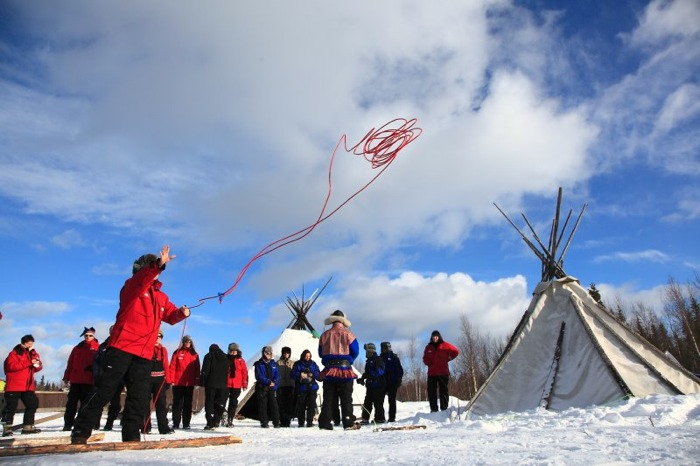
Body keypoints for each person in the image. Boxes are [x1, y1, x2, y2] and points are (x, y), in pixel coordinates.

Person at [71, 245, 191, 444]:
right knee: (104, 390)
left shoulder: (161, 297)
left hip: (144, 354)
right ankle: (80, 431)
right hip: (121, 348)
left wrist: (181, 313)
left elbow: (170, 316)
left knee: (139, 397)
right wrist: (158, 264)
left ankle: (131, 436)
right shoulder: (132, 287)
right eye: (151, 267)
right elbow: (141, 280)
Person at [317, 309, 359, 430]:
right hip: (345, 370)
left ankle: (325, 422)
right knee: (346, 397)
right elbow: (355, 351)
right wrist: (349, 359)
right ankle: (348, 421)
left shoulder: (324, 335)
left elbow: (320, 353)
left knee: (328, 397)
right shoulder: (349, 335)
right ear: (343, 321)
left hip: (329, 370)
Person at [1, 335, 43, 436]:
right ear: (24, 343)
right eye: (29, 343)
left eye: (32, 343)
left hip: (27, 386)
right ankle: (7, 428)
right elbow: (11, 366)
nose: (30, 345)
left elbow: (36, 368)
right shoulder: (14, 353)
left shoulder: (33, 353)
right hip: (14, 385)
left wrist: (37, 364)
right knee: (11, 407)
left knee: (32, 404)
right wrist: (29, 362)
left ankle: (28, 426)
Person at [62, 326, 100, 431]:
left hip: (89, 381)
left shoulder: (98, 348)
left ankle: (81, 424)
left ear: (94, 336)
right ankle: (68, 424)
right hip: (75, 380)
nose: (88, 337)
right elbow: (70, 363)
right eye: (86, 335)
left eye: (90, 335)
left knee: (85, 404)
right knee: (71, 404)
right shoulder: (77, 348)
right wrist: (66, 376)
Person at [93, 326, 124, 431]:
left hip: (117, 380)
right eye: (113, 331)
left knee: (115, 403)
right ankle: (95, 424)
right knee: (98, 401)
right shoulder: (103, 346)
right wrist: (97, 375)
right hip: (102, 378)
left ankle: (109, 423)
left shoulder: (123, 346)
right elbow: (96, 362)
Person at [142, 330, 173, 434]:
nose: (157, 338)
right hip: (147, 379)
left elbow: (166, 365)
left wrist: (168, 380)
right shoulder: (146, 347)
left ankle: (163, 428)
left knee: (161, 404)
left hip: (160, 380)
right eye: (156, 336)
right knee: (144, 403)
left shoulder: (163, 350)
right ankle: (145, 427)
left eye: (159, 337)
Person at [422, 330, 459, 412]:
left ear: (439, 337)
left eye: (436, 336)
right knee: (431, 392)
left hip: (443, 372)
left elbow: (456, 351)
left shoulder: (445, 345)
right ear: (431, 337)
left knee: (443, 391)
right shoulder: (428, 347)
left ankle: (444, 409)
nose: (435, 338)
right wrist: (429, 363)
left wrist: (449, 358)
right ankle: (434, 409)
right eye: (433, 337)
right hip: (432, 373)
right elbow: (424, 358)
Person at [169, 335, 200, 430]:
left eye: (189, 342)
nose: (187, 343)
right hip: (177, 382)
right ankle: (176, 423)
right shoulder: (177, 352)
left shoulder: (194, 354)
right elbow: (172, 366)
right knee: (177, 404)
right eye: (186, 341)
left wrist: (197, 381)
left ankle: (186, 423)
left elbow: (197, 368)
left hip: (189, 383)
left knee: (188, 404)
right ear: (183, 342)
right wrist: (171, 380)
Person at [200, 343, 229, 430]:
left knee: (210, 403)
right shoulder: (225, 357)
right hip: (223, 384)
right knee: (218, 403)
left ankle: (210, 423)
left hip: (211, 384)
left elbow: (205, 371)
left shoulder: (208, 356)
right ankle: (218, 419)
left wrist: (203, 382)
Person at [290, 349, 320, 428]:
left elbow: (318, 373)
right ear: (303, 356)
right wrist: (300, 374)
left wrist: (312, 374)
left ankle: (310, 422)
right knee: (301, 406)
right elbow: (292, 374)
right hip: (301, 387)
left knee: (311, 405)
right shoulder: (298, 364)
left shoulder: (313, 364)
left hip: (312, 387)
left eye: (309, 356)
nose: (307, 358)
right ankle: (301, 422)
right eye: (306, 356)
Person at [358, 342, 386, 424]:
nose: (366, 353)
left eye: (366, 351)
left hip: (378, 385)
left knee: (378, 402)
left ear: (370, 351)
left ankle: (380, 418)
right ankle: (365, 418)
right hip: (370, 385)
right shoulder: (369, 361)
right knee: (367, 402)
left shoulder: (378, 359)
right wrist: (362, 379)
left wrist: (371, 374)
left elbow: (380, 371)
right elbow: (367, 372)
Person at [254, 346, 280, 428]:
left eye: (269, 353)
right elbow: (258, 376)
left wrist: (274, 382)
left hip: (271, 387)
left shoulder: (273, 364)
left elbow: (277, 375)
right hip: (262, 387)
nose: (268, 355)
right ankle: (264, 422)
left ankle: (276, 422)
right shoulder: (259, 364)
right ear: (263, 354)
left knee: (274, 405)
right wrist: (268, 382)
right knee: (263, 405)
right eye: (266, 353)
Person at [225, 342, 248, 427]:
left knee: (233, 403)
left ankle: (230, 420)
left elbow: (244, 373)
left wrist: (244, 384)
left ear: (237, 351)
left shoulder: (241, 360)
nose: (233, 352)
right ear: (229, 351)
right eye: (231, 350)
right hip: (226, 384)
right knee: (222, 401)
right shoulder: (225, 359)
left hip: (236, 385)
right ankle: (223, 414)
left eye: (235, 351)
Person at [380, 341, 404, 422]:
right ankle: (381, 417)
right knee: (380, 400)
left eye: (384, 348)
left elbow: (400, 370)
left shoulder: (394, 357)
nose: (383, 350)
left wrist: (399, 380)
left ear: (388, 348)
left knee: (392, 400)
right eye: (382, 348)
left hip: (392, 382)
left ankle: (392, 417)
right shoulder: (380, 357)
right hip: (383, 382)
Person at [276, 346, 295, 427]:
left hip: (290, 385)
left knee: (289, 404)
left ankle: (287, 421)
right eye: (285, 353)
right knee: (281, 404)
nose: (286, 354)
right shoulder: (278, 363)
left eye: (288, 353)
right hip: (281, 385)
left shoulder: (292, 363)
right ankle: (282, 420)